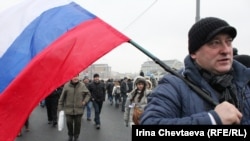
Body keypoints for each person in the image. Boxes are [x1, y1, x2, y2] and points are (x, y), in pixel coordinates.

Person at [140, 17, 250, 125]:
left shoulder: (245, 82)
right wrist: (212, 119)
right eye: (214, 43)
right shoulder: (173, 86)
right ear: (193, 53)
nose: (225, 50)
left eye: (228, 42)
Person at [58, 74, 91, 141]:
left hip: (79, 109)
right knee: (69, 123)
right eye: (74, 76)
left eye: (76, 76)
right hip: (68, 109)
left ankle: (76, 136)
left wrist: (84, 101)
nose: (75, 78)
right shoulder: (66, 85)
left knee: (77, 124)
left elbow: (88, 94)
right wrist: (60, 108)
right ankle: (70, 135)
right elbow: (62, 98)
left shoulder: (82, 85)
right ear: (71, 77)